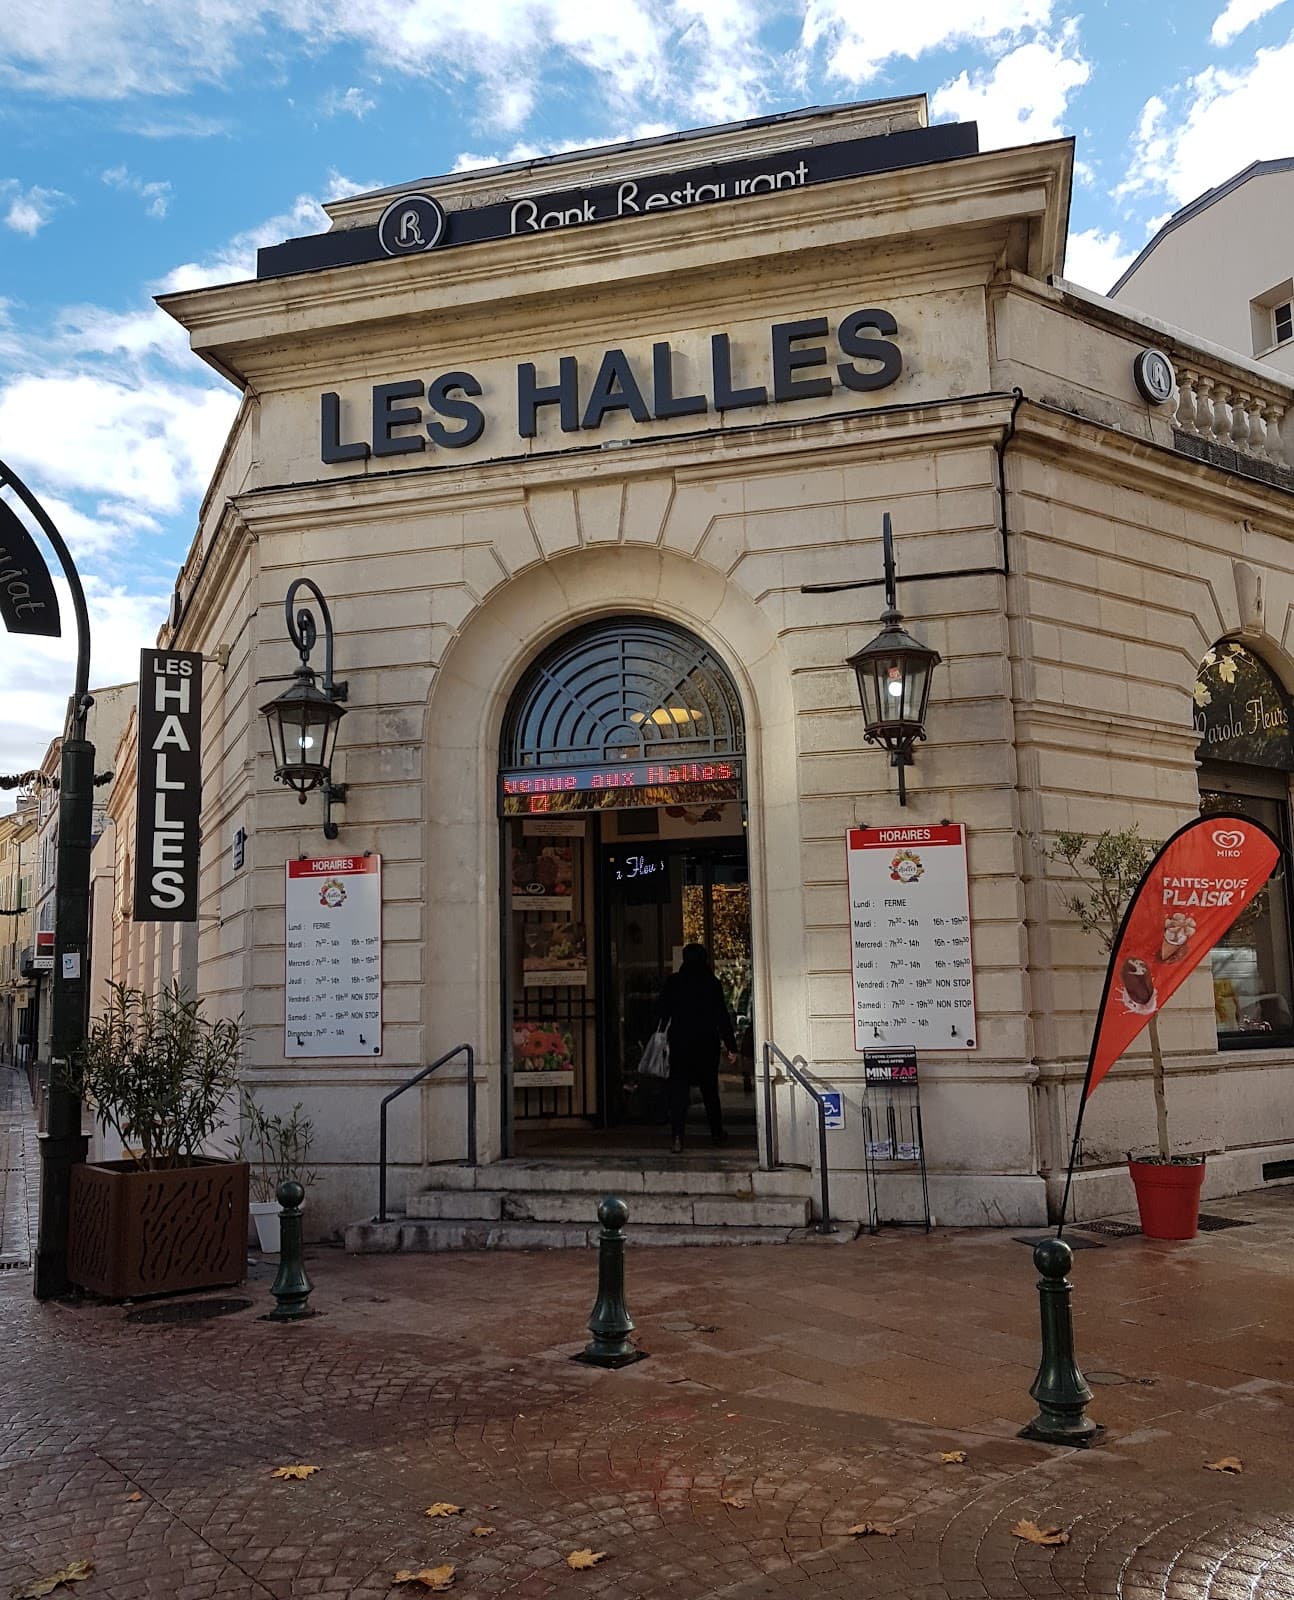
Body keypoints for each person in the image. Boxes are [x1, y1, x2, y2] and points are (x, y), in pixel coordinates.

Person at [655, 943, 737, 1153]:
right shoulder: (712, 983)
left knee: (679, 1092)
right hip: (706, 1044)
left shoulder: (674, 982)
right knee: (710, 1091)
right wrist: (731, 1046)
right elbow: (722, 1016)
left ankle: (677, 1137)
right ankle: (717, 1134)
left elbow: (662, 1011)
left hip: (680, 1043)